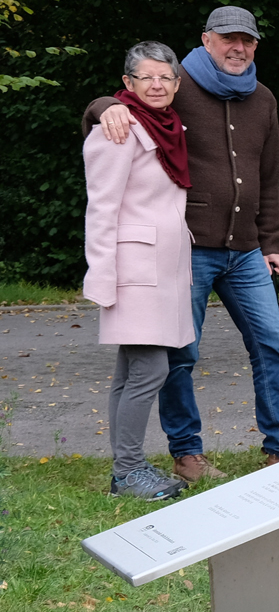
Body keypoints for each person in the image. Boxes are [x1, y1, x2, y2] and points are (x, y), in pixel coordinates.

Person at [87, 5, 279, 479]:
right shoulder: (178, 85)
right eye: (228, 39)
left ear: (256, 46)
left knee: (273, 342)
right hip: (187, 249)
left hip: (246, 251)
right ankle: (187, 453)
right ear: (207, 41)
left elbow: (269, 176)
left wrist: (270, 242)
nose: (238, 47)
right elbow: (130, 101)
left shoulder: (263, 99)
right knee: (180, 355)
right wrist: (106, 106)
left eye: (247, 40)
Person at [84, 44, 197, 500]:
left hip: (163, 270)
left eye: (165, 78)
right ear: (127, 84)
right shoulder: (117, 129)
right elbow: (101, 209)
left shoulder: (168, 126)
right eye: (146, 77)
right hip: (133, 270)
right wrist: (101, 276)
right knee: (149, 370)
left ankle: (124, 469)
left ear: (176, 84)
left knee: (128, 373)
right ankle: (128, 471)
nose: (156, 85)